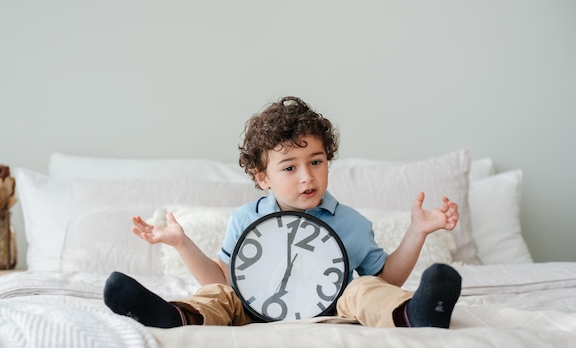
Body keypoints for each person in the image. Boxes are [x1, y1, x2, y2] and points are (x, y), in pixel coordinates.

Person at [103, 96, 462, 328]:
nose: (307, 176)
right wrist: (182, 244)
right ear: (263, 178)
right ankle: (175, 316)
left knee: (364, 288)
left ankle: (414, 315)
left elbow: (387, 278)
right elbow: (219, 279)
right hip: (253, 311)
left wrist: (417, 231)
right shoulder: (245, 219)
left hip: (331, 310)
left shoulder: (350, 222)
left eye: (316, 161)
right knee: (221, 298)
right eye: (289, 167)